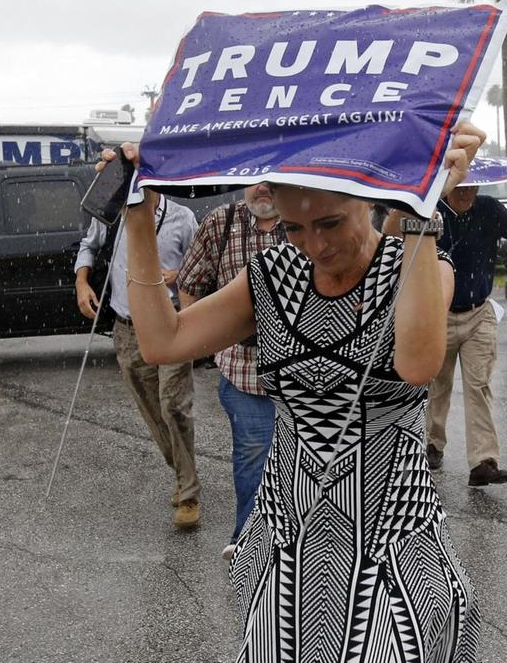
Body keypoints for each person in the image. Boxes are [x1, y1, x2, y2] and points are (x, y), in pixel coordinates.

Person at [115, 122, 486, 661]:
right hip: (288, 541)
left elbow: (416, 365)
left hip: (391, 544)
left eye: (331, 222)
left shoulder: (418, 263)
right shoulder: (271, 275)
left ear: (366, 199)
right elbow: (162, 340)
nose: (316, 244)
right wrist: (138, 220)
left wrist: (419, 206)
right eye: (294, 227)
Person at [385, 170, 507, 486]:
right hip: (437, 312)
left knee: (479, 385)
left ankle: (483, 461)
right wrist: (421, 193)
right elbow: (389, 235)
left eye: (473, 185)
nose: (466, 192)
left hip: (478, 313)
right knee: (436, 385)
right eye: (461, 185)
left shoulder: (488, 209)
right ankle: (431, 444)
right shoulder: (430, 207)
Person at [73, 194, 201, 529]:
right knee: (153, 409)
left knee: (173, 405)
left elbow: (200, 265)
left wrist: (178, 275)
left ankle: (189, 494)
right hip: (127, 327)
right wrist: (81, 281)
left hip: (172, 323)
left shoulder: (182, 217)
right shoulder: (112, 214)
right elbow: (89, 245)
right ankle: (182, 472)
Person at [176, 182, 286, 560]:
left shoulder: (307, 220)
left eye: (273, 177)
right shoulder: (219, 223)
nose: (264, 188)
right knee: (254, 456)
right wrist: (208, 342)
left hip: (304, 373)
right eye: (257, 177)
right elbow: (190, 284)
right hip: (244, 371)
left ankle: (301, 548)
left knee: (308, 461)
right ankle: (250, 542)